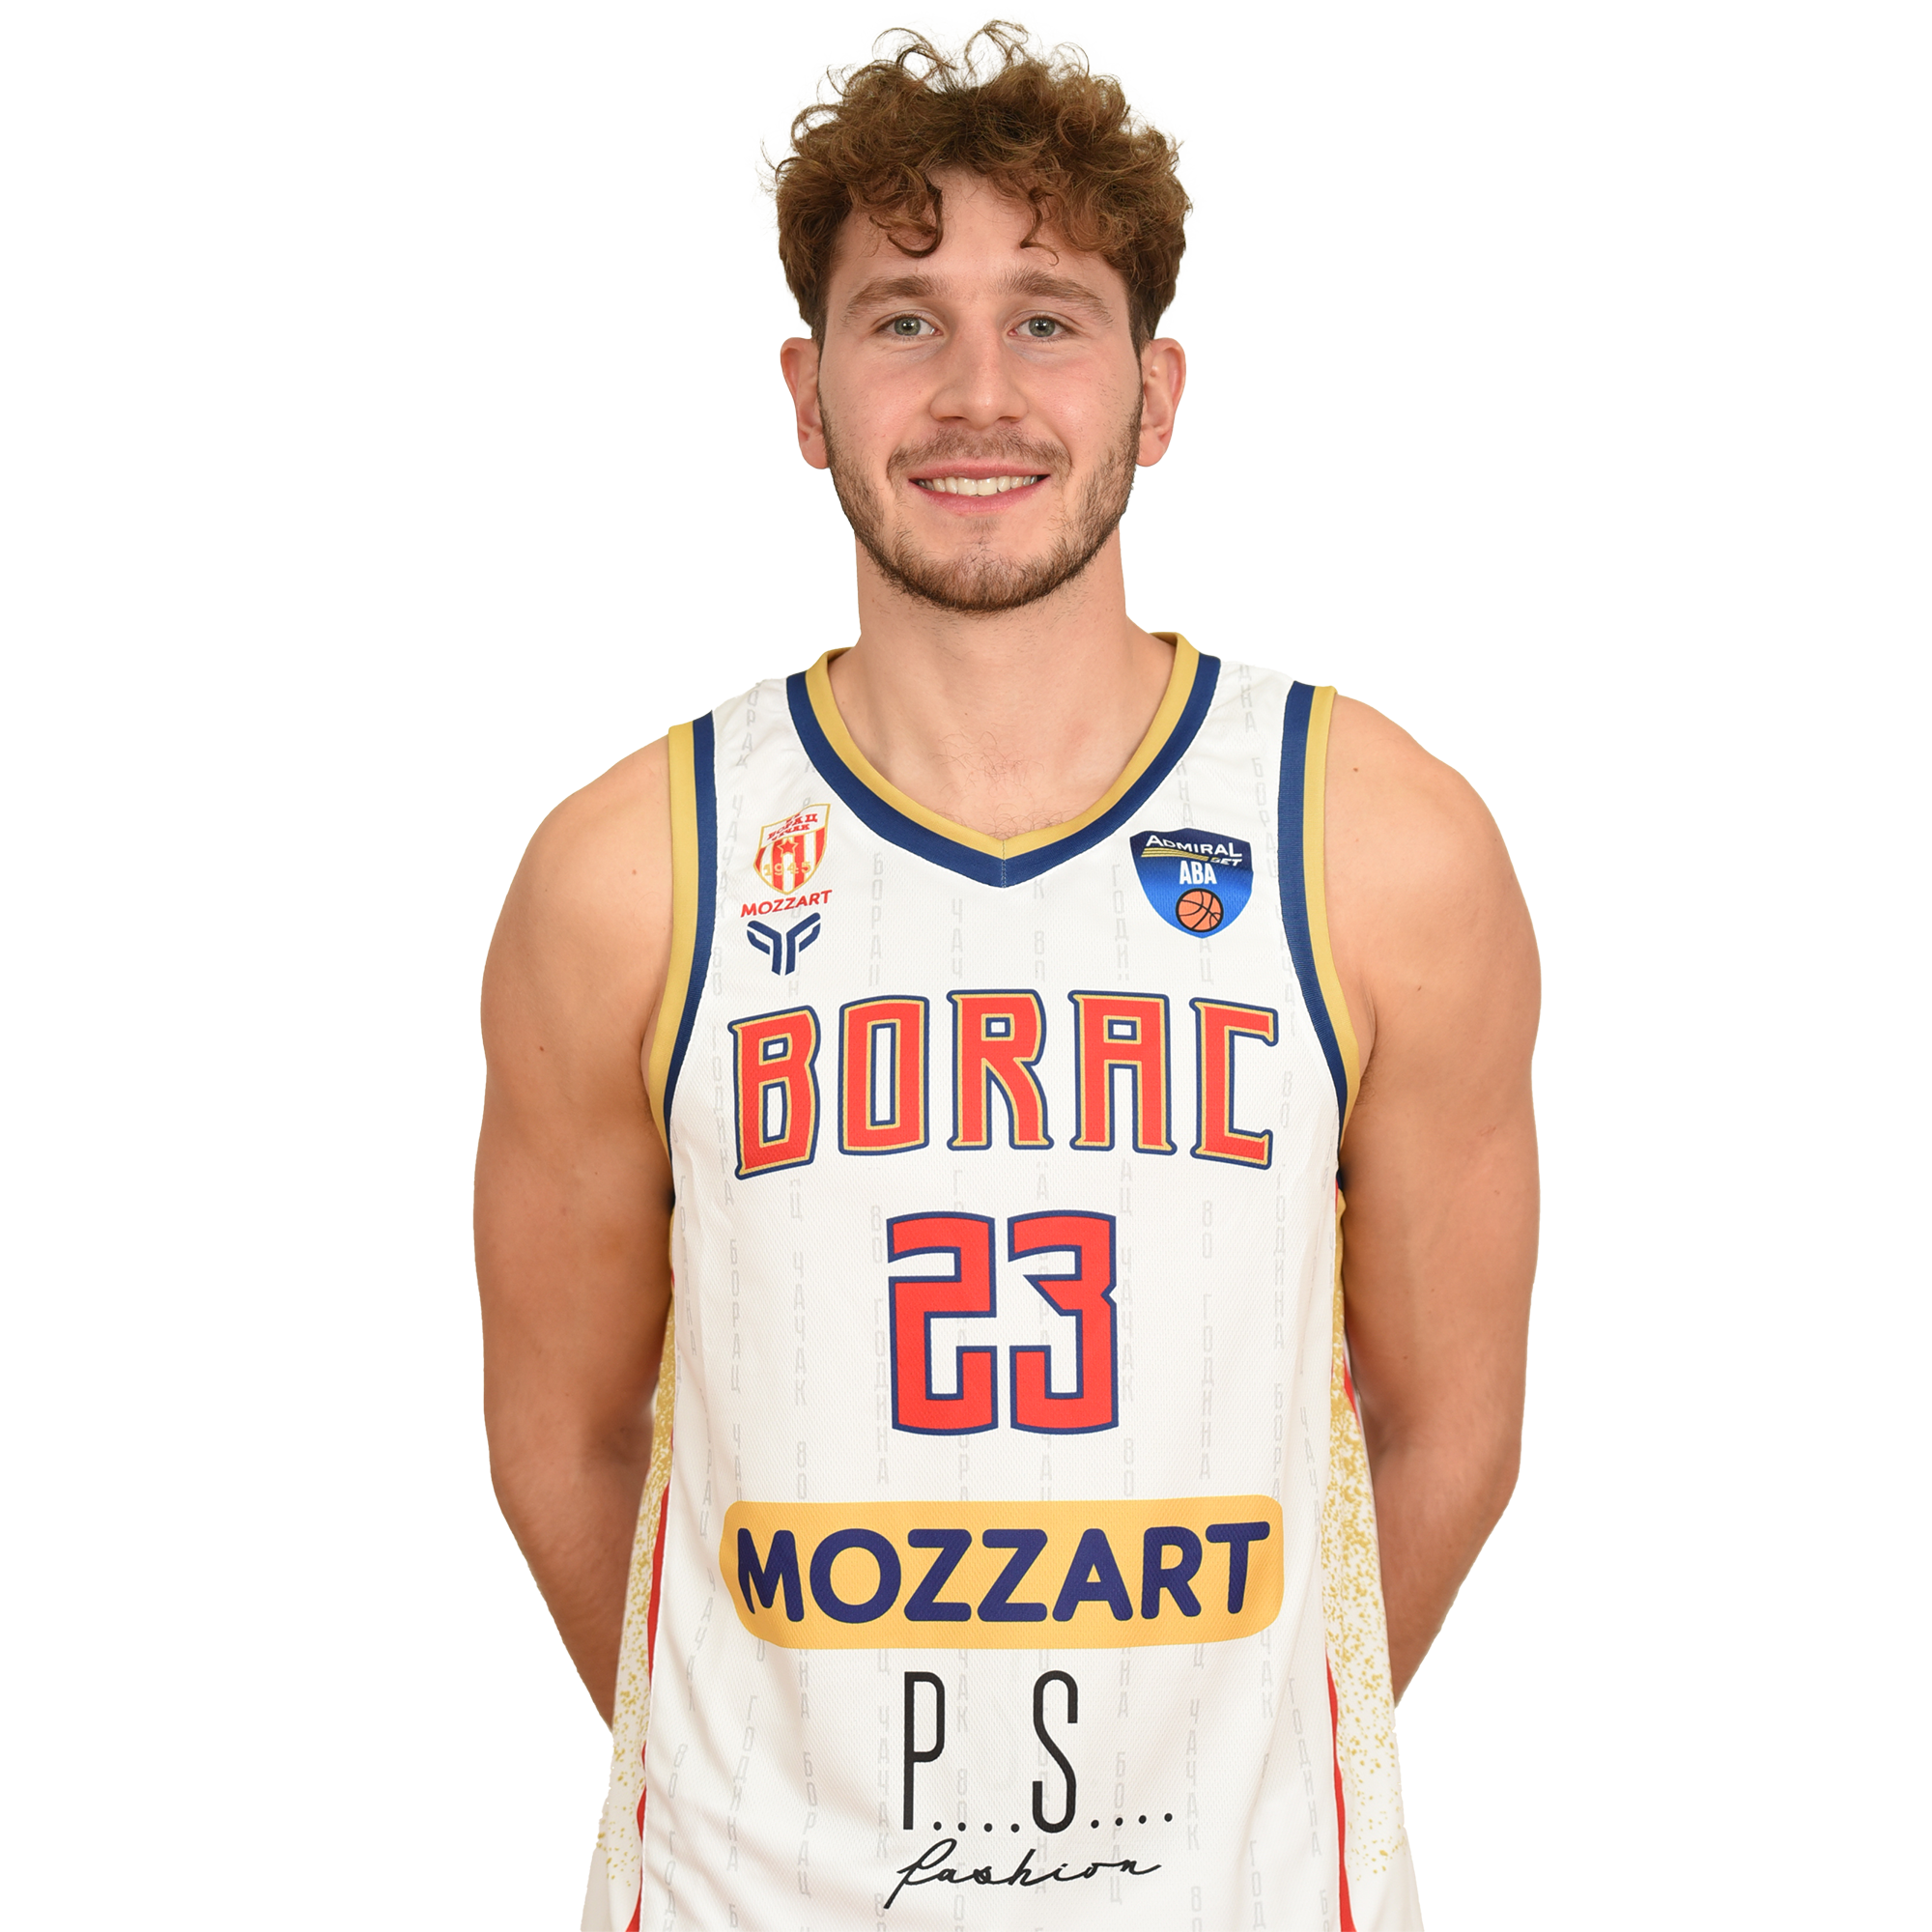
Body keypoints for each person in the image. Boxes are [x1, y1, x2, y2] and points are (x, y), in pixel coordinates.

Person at [475, 20, 1537, 1931]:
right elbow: (558, 1433)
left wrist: (1225, 1758)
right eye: (903, 321)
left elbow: (1449, 1422)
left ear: (1156, 389)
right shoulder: (624, 876)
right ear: (807, 393)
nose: (978, 393)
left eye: (1048, 319)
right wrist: (763, 1768)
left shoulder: (1376, 846)